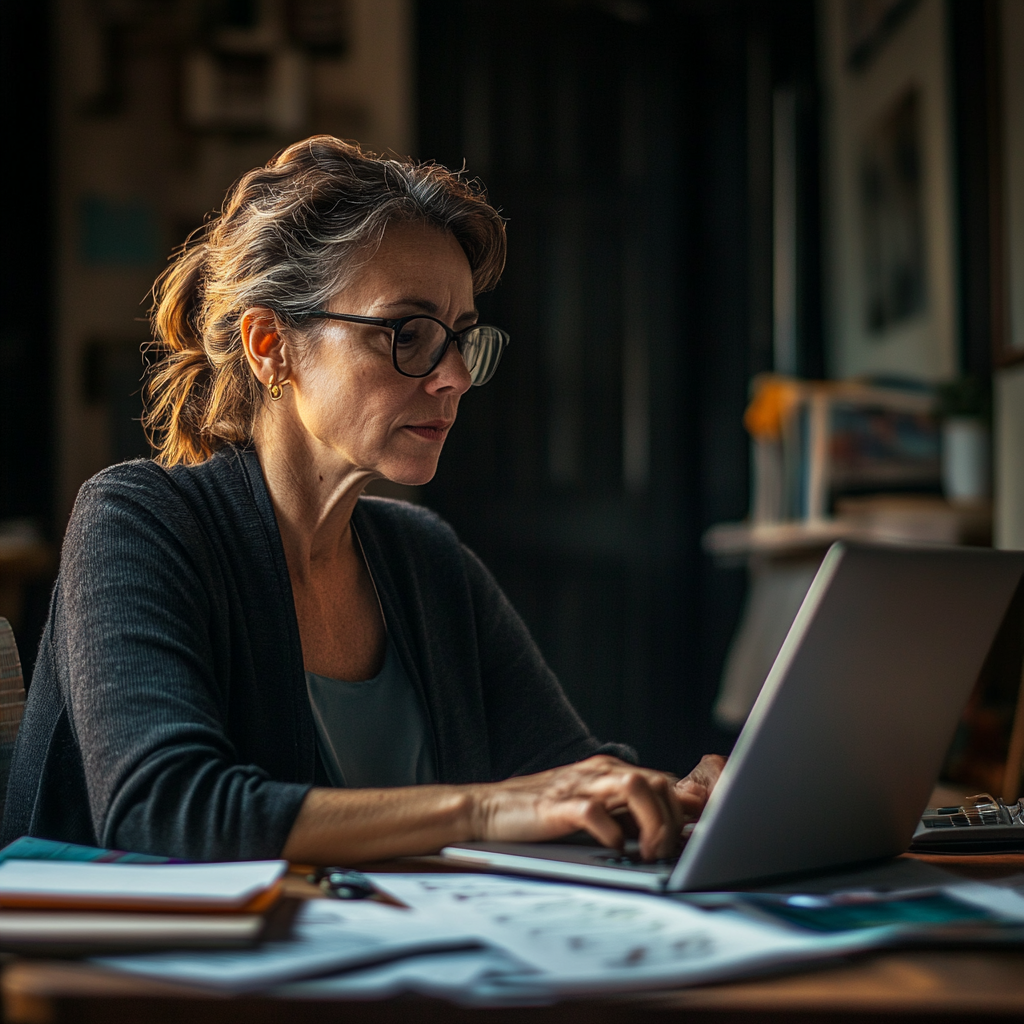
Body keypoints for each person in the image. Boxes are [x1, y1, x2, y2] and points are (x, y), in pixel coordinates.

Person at [3, 137, 723, 863]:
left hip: (388, 969)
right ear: (270, 345)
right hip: (152, 975)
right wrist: (483, 809)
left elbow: (556, 779)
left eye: (462, 339)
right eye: (407, 333)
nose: (453, 378)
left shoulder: (427, 560)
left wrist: (671, 798)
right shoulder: (136, 522)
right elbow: (165, 808)